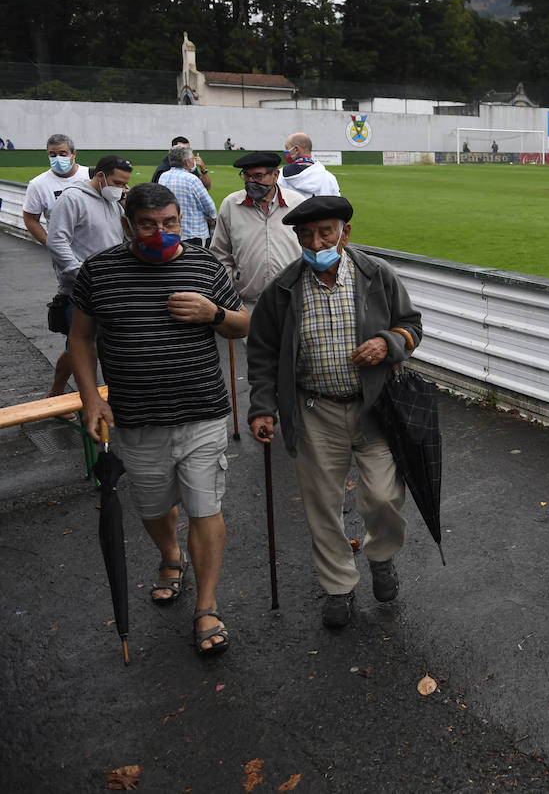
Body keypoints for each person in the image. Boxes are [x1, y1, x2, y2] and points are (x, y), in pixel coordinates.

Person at [69, 182, 250, 655]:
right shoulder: (99, 271)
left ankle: (207, 606)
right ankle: (171, 555)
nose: (161, 232)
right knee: (153, 507)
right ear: (127, 224)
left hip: (201, 413)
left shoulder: (203, 264)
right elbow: (81, 338)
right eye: (148, 225)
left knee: (204, 507)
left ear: (180, 220)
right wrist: (90, 398)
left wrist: (213, 313)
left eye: (169, 223)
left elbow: (242, 324)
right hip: (136, 418)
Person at [246, 196, 423, 628]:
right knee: (322, 505)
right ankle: (338, 586)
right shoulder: (283, 289)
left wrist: (387, 343)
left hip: (375, 408)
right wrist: (262, 407)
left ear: (345, 233)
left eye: (325, 233)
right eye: (306, 235)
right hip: (314, 410)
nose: (316, 243)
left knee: (383, 497)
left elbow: (411, 326)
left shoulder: (376, 274)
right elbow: (262, 353)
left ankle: (381, 556)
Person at [45, 155, 132, 400]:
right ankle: (87, 401)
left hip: (110, 288)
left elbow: (122, 240)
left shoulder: (114, 204)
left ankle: (61, 393)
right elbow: (57, 241)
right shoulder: (72, 198)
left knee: (91, 346)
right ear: (100, 176)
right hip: (80, 290)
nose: (121, 188)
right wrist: (82, 275)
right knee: (83, 346)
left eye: (124, 184)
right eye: (117, 182)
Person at [210, 151, 307, 311]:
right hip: (247, 304)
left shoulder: (297, 204)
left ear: (275, 175)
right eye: (246, 176)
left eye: (258, 176)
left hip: (291, 302)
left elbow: (310, 249)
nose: (251, 181)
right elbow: (220, 253)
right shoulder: (231, 205)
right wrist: (230, 288)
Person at [22, 133, 88, 245]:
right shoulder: (38, 184)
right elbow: (30, 219)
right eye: (52, 155)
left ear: (74, 153)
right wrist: (51, 245)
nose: (58, 158)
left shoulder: (91, 176)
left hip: (98, 248)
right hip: (64, 248)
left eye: (63, 154)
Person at [159, 143, 217, 246]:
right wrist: (213, 217)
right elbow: (210, 207)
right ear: (187, 161)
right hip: (194, 234)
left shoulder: (163, 176)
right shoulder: (192, 179)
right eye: (192, 158)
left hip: (171, 233)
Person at [281, 132, 341, 197]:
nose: (285, 152)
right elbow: (337, 201)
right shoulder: (330, 178)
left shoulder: (280, 175)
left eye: (287, 148)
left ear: (296, 150)